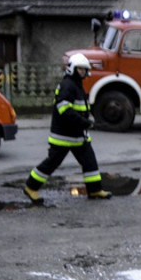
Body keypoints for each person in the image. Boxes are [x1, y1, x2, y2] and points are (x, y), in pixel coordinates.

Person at [23, 53, 111, 203]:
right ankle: (30, 187)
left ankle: (95, 190)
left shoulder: (76, 85)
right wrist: (85, 122)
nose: (82, 73)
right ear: (72, 69)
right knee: (51, 164)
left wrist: (88, 120)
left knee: (90, 162)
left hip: (77, 136)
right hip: (63, 137)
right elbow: (64, 110)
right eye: (80, 70)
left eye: (84, 70)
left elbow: (80, 108)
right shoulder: (67, 85)